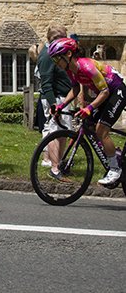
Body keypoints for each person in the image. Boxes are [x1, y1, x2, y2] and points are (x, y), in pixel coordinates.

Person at [48, 37, 126, 186]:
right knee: (89, 126)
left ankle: (115, 170)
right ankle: (114, 155)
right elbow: (75, 90)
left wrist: (89, 108)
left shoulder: (86, 66)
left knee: (101, 129)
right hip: (106, 94)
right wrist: (61, 106)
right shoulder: (71, 71)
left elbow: (104, 91)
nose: (56, 63)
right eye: (54, 59)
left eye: (58, 58)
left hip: (116, 91)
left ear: (69, 54)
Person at [37, 25, 73, 179]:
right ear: (54, 39)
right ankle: (55, 168)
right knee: (54, 131)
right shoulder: (46, 56)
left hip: (63, 97)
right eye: (63, 37)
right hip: (55, 98)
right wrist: (53, 105)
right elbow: (46, 83)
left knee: (63, 132)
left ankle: (60, 164)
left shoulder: (57, 53)